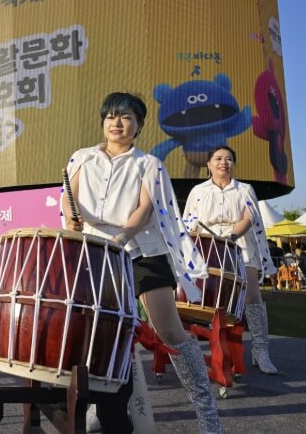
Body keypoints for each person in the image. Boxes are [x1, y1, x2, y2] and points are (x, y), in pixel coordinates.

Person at [62, 93, 220, 434]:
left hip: (141, 252)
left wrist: (121, 237)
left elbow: (144, 210)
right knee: (97, 334)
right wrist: (71, 220)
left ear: (139, 125)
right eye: (111, 117)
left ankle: (207, 412)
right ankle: (96, 406)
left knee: (170, 330)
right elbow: (68, 198)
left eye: (126, 117)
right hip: (95, 254)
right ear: (103, 122)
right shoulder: (82, 159)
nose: (117, 123)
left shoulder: (149, 163)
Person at [183, 146, 280, 375]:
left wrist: (231, 236)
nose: (223, 162)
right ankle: (190, 351)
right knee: (193, 293)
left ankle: (261, 350)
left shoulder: (244, 189)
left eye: (228, 159)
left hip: (239, 245)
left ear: (233, 164)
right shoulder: (198, 190)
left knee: (253, 295)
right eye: (217, 158)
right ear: (208, 164)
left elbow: (249, 217)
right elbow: (189, 222)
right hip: (207, 247)